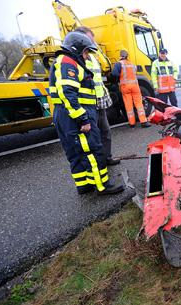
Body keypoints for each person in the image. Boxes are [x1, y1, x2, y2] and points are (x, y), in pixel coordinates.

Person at [49, 31, 124, 195]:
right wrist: (83, 119)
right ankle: (102, 186)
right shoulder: (68, 62)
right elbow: (67, 93)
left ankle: (84, 184)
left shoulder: (64, 61)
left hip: (67, 115)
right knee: (93, 150)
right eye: (85, 52)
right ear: (76, 49)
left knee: (76, 153)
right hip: (76, 116)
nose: (86, 55)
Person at [75, 26, 120, 165]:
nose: (92, 44)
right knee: (92, 137)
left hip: (99, 102)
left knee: (106, 132)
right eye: (90, 40)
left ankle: (107, 158)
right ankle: (97, 163)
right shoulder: (77, 59)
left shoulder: (93, 58)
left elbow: (98, 80)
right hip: (87, 104)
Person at [112, 50, 149, 128]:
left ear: (120, 56)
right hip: (135, 86)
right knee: (139, 104)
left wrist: (118, 79)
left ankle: (132, 123)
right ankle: (144, 122)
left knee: (128, 105)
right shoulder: (132, 64)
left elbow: (114, 73)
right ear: (127, 56)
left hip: (125, 87)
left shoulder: (119, 64)